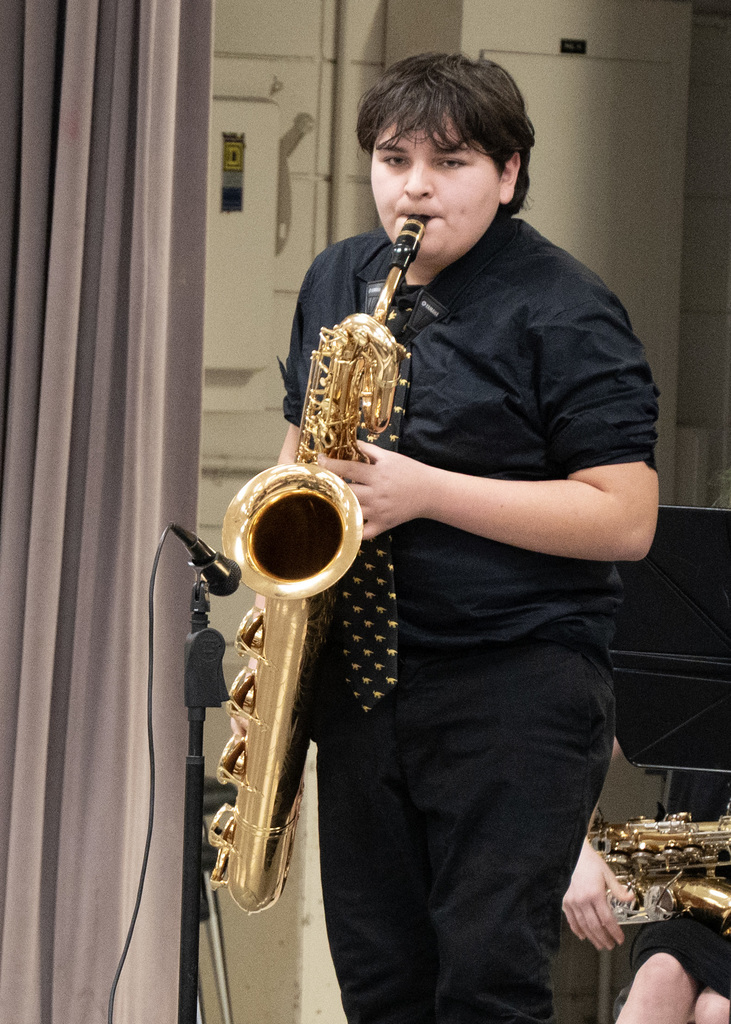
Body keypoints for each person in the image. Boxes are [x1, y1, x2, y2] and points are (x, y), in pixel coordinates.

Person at [268, 52, 659, 1023]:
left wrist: (425, 492)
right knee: (381, 985)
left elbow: (624, 515)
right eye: (393, 158)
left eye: (448, 163)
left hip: (510, 687)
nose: (412, 186)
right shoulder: (339, 279)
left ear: (508, 174)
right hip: (360, 682)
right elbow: (298, 448)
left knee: (485, 985)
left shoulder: (565, 307)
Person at [563, 767, 731, 1024]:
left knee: (717, 1010)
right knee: (658, 977)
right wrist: (576, 844)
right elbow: (590, 737)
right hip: (688, 885)